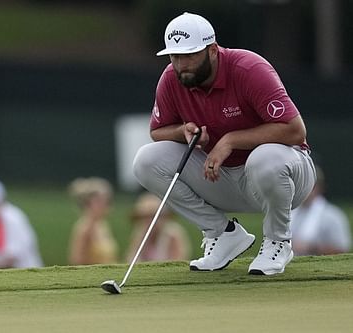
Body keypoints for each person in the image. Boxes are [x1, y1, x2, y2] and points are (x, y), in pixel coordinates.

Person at [132, 12, 316, 276]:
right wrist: (183, 131)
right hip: (221, 177)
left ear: (213, 50)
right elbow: (157, 132)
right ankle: (222, 233)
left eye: (190, 55)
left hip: (286, 178)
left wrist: (231, 140)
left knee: (265, 159)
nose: (181, 65)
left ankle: (278, 241)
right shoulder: (172, 78)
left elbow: (295, 131)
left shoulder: (249, 69)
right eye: (175, 56)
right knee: (146, 161)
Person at [290, 166, 351, 256]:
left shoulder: (333, 216)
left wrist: (310, 248)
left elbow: (343, 249)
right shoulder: (289, 214)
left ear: (319, 187)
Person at [126, 193, 191, 262]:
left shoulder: (173, 235)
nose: (149, 221)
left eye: (153, 216)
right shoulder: (140, 234)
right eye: (145, 217)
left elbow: (179, 260)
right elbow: (131, 258)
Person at [68, 177, 118, 265]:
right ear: (88, 203)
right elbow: (76, 260)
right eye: (100, 201)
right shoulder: (85, 228)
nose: (105, 205)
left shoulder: (102, 225)